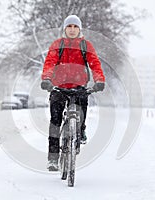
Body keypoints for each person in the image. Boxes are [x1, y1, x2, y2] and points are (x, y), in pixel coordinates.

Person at [41, 15, 105, 171]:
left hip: (79, 87)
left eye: (75, 27)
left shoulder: (85, 46)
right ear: (65, 29)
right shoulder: (58, 45)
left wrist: (99, 80)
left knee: (81, 114)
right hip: (59, 88)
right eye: (69, 27)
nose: (72, 30)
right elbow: (49, 63)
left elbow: (95, 64)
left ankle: (80, 130)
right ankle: (53, 159)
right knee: (55, 122)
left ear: (79, 29)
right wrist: (47, 79)